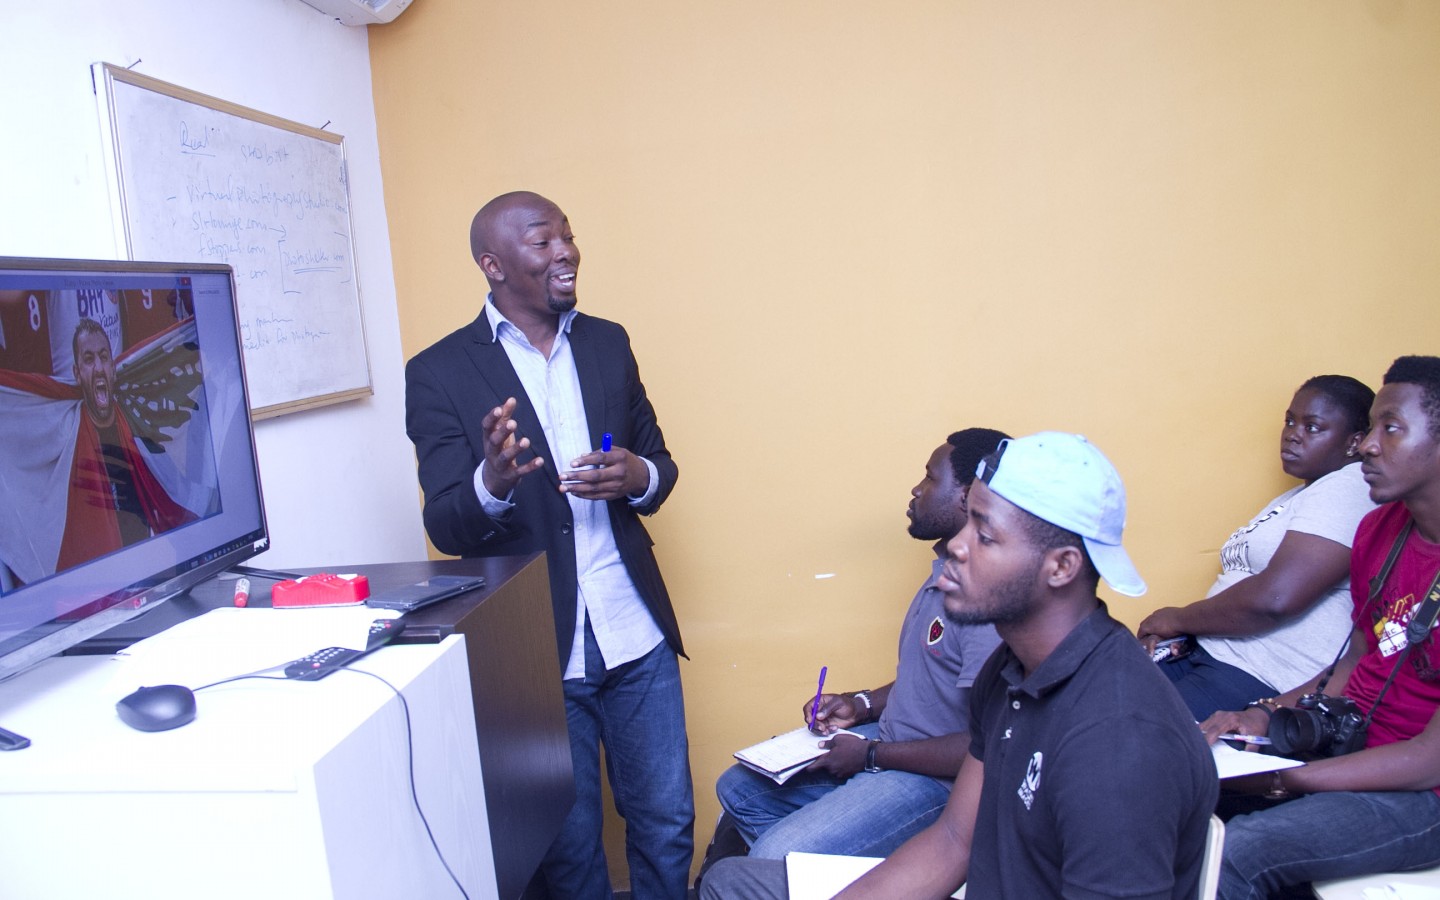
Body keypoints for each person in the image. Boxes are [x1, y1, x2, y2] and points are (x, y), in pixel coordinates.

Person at [703, 433, 1219, 899]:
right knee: (732, 882)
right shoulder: (1011, 671)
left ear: (1061, 566)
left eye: (985, 535)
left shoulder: (1121, 741)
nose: (956, 545)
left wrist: (872, 755)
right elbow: (953, 841)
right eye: (968, 520)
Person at [404, 191, 692, 898]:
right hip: (538, 647)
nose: (566, 252)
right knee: (569, 849)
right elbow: (446, 525)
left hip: (634, 632)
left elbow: (659, 463)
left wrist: (637, 475)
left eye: (568, 236)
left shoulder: (608, 343)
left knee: (667, 824)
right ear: (493, 264)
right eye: (543, 241)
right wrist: (493, 481)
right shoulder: (439, 372)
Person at [706, 429, 1007, 870]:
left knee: (772, 858)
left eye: (930, 477)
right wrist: (858, 704)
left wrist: (868, 755)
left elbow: (986, 744)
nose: (916, 489)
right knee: (738, 790)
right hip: (888, 744)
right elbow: (930, 680)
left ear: (968, 496)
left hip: (935, 782)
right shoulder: (943, 574)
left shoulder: (986, 601)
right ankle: (844, 873)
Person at [1202, 356, 1440, 900]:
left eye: (1391, 428)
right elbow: (1353, 662)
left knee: (1239, 851)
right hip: (1351, 750)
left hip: (1423, 794)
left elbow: (1429, 761)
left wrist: (1287, 778)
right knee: (1177, 788)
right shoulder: (1380, 529)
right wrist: (1261, 717)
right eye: (1371, 427)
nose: (1368, 446)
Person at [1137, 375, 1377, 719]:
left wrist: (1175, 619)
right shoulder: (1301, 494)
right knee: (1088, 703)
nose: (1292, 434)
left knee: (1121, 730)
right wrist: (1177, 635)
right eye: (1290, 421)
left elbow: (1275, 599)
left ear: (1355, 442)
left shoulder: (1350, 486)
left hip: (1257, 674)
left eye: (1312, 427)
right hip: (1207, 653)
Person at [0, 316, 201, 583]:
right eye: (88, 359)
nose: (97, 367)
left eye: (104, 357)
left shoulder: (136, 419)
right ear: (77, 374)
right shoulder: (66, 431)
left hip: (151, 572)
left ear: (113, 369)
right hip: (100, 584)